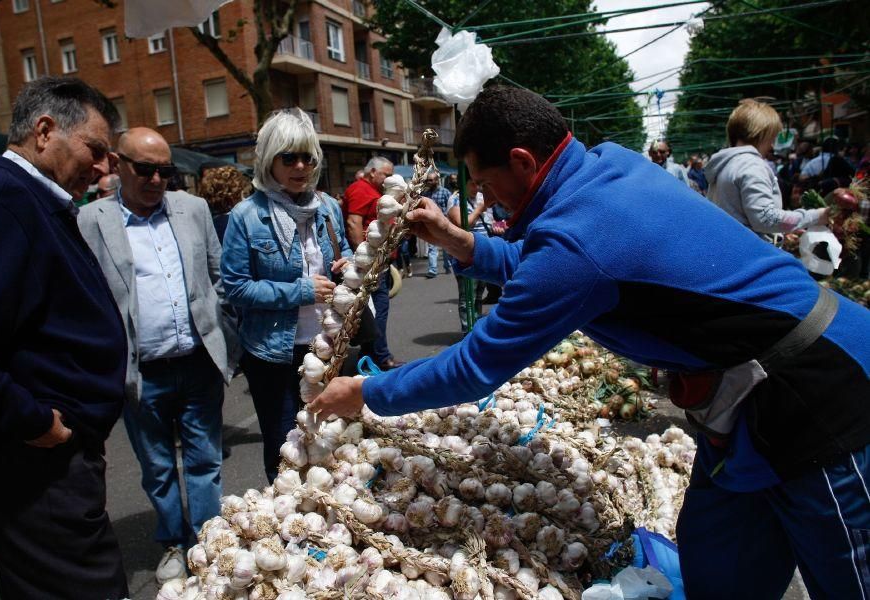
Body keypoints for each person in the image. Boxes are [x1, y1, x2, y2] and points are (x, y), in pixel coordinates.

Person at [309, 86, 870, 600]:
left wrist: (365, 390)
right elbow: (553, 267)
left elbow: (476, 366)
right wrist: (464, 244)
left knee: (848, 579)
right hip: (750, 401)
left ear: (524, 162)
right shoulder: (608, 165)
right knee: (719, 561)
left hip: (818, 394)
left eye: (485, 184)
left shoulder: (576, 241)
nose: (487, 198)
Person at [0, 76, 129, 599]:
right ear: (44, 131)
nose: (105, 167)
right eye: (96, 149)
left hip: (57, 461)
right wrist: (30, 420)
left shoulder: (34, 199)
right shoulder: (2, 199)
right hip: (35, 465)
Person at [78, 127, 236, 584]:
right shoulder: (92, 221)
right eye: (144, 169)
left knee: (205, 459)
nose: (155, 179)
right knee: (159, 466)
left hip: (197, 361)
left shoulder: (194, 209)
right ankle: (172, 539)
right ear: (116, 164)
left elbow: (217, 275)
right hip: (141, 371)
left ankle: (207, 542)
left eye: (165, 171)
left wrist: (222, 333)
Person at [221, 108, 352, 484]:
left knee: (330, 435)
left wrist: (344, 267)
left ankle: (330, 512)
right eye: (288, 157)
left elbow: (341, 250)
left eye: (307, 157)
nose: (300, 166)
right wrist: (301, 290)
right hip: (271, 352)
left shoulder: (327, 208)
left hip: (326, 343)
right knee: (286, 446)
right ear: (269, 160)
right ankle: (288, 524)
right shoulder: (246, 216)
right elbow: (236, 287)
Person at [706, 100, 829, 242]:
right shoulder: (751, 165)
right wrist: (815, 216)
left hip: (729, 246)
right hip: (749, 253)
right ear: (762, 133)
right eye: (772, 138)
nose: (771, 145)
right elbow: (765, 218)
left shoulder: (726, 164)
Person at [342, 156, 403, 370]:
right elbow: (353, 223)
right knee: (378, 310)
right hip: (372, 264)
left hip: (379, 263)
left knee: (374, 311)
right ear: (372, 172)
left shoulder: (375, 192)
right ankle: (380, 356)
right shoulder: (361, 189)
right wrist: (365, 260)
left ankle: (371, 356)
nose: (390, 178)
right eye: (386, 174)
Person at [446, 179, 490, 333]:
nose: (476, 187)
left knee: (478, 294)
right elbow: (462, 223)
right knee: (467, 295)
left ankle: (476, 328)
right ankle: (467, 331)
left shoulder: (478, 198)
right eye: (472, 184)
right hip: (465, 254)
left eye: (478, 184)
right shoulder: (456, 199)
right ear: (463, 183)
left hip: (483, 252)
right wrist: (479, 209)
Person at [200, 164, 251, 243]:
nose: (245, 199)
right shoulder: (240, 222)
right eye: (243, 194)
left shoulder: (211, 225)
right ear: (232, 197)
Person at [424, 171, 453, 278]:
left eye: (431, 180)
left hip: (444, 223)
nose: (429, 182)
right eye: (428, 180)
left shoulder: (445, 192)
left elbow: (451, 207)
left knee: (445, 247)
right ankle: (432, 270)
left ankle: (447, 265)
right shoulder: (426, 194)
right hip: (430, 224)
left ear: (437, 180)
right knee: (432, 247)